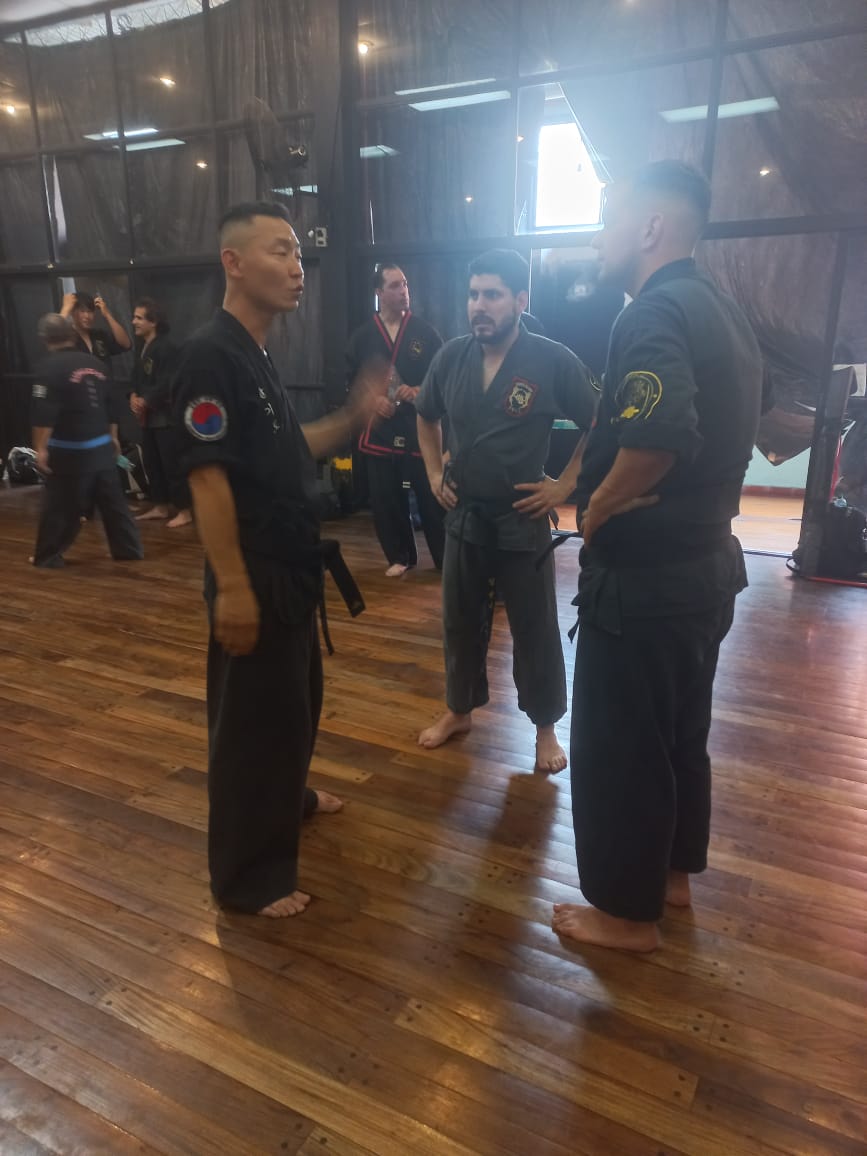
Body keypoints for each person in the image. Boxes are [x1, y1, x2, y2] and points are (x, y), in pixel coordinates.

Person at [552, 161, 763, 953]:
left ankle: (625, 914)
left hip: (644, 585)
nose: (596, 237)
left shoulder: (653, 311)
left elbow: (657, 434)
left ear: (649, 228)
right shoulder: (721, 308)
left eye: (608, 218)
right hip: (705, 568)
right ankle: (670, 878)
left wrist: (597, 510)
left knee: (619, 748)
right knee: (677, 735)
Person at [172, 201, 383, 919]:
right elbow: (207, 479)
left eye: (297, 253)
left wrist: (352, 417)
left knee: (293, 706)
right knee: (252, 727)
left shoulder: (255, 353)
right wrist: (232, 588)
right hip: (252, 571)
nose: (297, 268)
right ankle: (247, 879)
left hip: (289, 569)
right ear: (233, 263)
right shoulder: (209, 356)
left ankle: (286, 800)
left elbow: (291, 449)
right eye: (280, 251)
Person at [415, 249, 598, 773]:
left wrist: (565, 483)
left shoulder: (551, 359)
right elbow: (425, 416)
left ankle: (544, 728)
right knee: (459, 620)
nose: (479, 305)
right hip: (464, 512)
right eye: (473, 295)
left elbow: (600, 420)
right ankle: (459, 710)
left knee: (534, 627)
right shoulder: (451, 357)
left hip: (522, 515)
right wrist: (433, 472)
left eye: (492, 295)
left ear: (520, 299)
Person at [349, 263, 445, 576]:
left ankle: (445, 558)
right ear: (379, 292)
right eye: (394, 285)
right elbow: (351, 381)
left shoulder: (425, 334)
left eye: (404, 284)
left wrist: (419, 391)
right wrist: (373, 399)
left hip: (418, 427)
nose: (403, 290)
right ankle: (399, 556)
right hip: (380, 429)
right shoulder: (363, 337)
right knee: (386, 498)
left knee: (431, 496)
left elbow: (442, 377)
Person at [29, 313, 143, 569]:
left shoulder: (47, 369)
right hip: (101, 446)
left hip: (70, 452)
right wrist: (113, 438)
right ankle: (129, 550)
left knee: (60, 506)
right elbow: (112, 406)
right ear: (72, 335)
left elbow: (43, 413)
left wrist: (40, 449)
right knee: (114, 505)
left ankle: (47, 556)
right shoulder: (97, 365)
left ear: (43, 338)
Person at [129, 298, 193, 528]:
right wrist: (133, 395)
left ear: (153, 321)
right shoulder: (143, 346)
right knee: (152, 463)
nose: (134, 321)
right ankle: (160, 505)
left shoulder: (167, 347)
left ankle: (185, 510)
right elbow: (136, 378)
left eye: (139, 318)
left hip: (166, 418)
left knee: (171, 465)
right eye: (134, 317)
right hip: (148, 418)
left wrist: (146, 400)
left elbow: (169, 381)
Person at [60, 290, 132, 366]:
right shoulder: (66, 337)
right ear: (72, 312)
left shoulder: (100, 335)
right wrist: (65, 310)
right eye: (82, 311)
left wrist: (107, 315)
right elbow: (53, 336)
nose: (87, 316)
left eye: (90, 311)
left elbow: (126, 344)